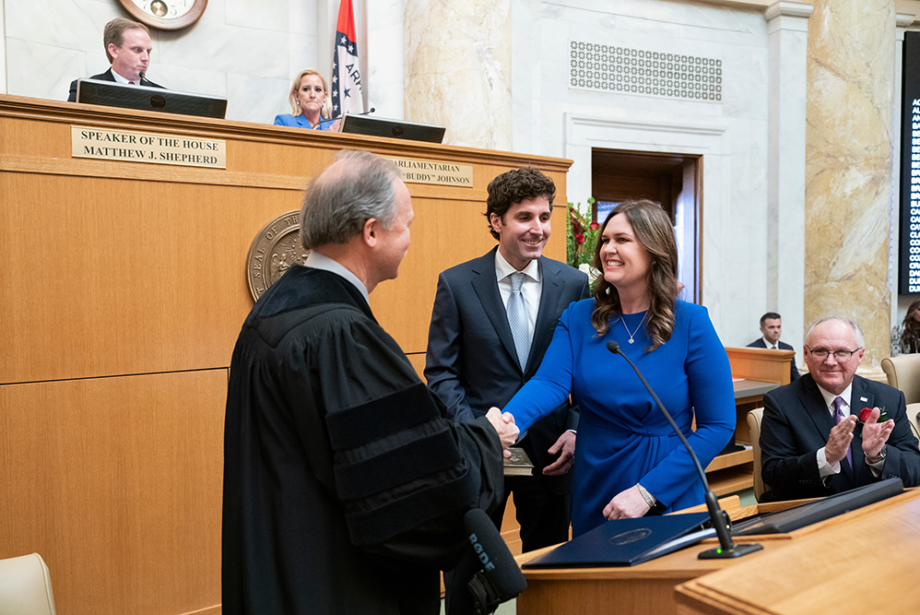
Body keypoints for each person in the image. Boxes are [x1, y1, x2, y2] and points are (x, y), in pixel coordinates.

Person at [221, 150, 518, 615]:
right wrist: (485, 438)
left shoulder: (277, 310)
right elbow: (410, 496)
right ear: (372, 231)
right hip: (340, 583)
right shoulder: (341, 335)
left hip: (285, 566)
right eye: (407, 224)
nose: (410, 238)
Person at [500, 199, 735, 537]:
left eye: (622, 240)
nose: (608, 249)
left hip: (666, 481)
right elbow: (549, 383)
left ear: (655, 250)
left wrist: (647, 492)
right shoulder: (579, 317)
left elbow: (719, 425)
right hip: (597, 477)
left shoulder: (691, 323)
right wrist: (505, 423)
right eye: (606, 240)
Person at [425, 167, 590, 553]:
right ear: (497, 221)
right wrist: (478, 431)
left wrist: (576, 428)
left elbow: (585, 368)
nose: (538, 228)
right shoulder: (457, 283)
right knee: (469, 565)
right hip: (481, 453)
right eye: (524, 217)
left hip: (551, 454)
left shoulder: (573, 284)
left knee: (548, 567)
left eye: (545, 217)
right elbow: (441, 373)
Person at [760, 316, 920, 501]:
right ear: (806, 354)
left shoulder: (888, 398)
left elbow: (915, 469)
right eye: (820, 351)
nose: (830, 361)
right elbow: (773, 475)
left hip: (877, 510)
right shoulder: (780, 402)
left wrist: (878, 455)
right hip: (814, 514)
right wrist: (826, 457)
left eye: (842, 352)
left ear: (860, 356)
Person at [67, 18, 163, 102]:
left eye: (148, 52)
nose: (145, 58)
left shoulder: (163, 96)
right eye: (138, 50)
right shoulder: (85, 90)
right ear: (114, 50)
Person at [273, 69, 340, 131]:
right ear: (296, 96)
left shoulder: (335, 126)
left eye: (318, 90)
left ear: (324, 97)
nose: (312, 95)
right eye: (306, 89)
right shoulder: (284, 122)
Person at [747, 312, 801, 381]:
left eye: (778, 327)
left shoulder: (788, 349)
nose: (776, 331)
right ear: (762, 329)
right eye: (771, 327)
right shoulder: (752, 349)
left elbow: (794, 374)